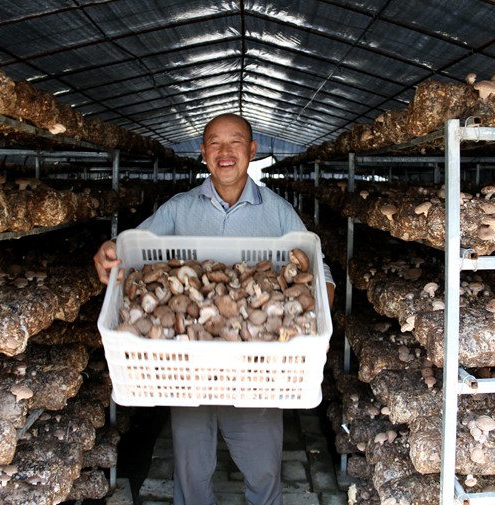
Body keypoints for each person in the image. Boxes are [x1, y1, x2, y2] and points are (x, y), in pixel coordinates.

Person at [94, 113, 335, 505]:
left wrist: (312, 317)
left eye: (236, 142)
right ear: (203, 152)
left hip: (258, 370)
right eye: (215, 143)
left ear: (252, 150)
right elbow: (132, 250)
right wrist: (109, 251)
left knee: (264, 471)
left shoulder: (278, 212)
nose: (225, 151)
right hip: (188, 370)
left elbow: (320, 272)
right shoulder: (178, 208)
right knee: (190, 472)